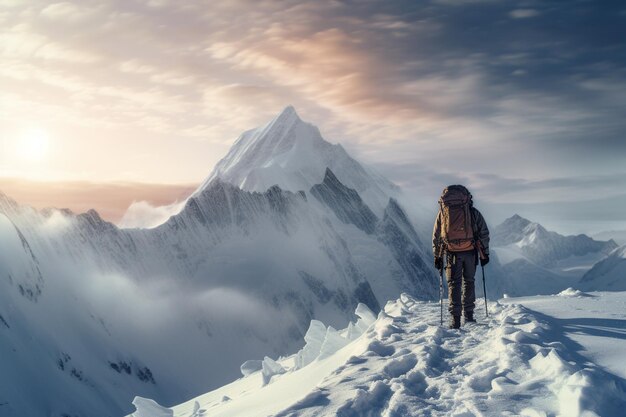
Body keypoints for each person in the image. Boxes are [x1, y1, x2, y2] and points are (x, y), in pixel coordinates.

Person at [432, 185, 490, 329]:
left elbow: (437, 235)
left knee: (454, 284)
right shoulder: (472, 212)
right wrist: (485, 254)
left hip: (451, 253)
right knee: (469, 282)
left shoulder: (443, 213)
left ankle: (455, 320)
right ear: (467, 198)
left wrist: (437, 256)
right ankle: (469, 316)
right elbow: (483, 233)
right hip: (470, 251)